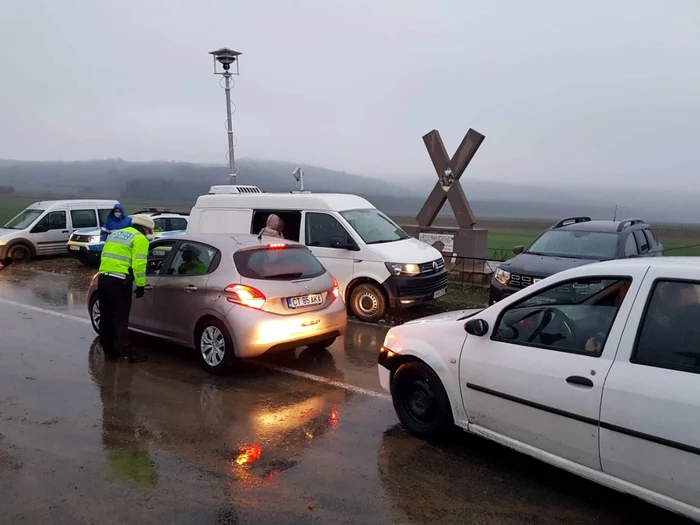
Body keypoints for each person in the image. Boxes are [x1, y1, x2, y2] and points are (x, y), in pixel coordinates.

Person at [98, 214, 154, 362]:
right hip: (119, 282)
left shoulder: (116, 234)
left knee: (106, 316)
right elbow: (139, 264)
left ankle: (108, 349)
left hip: (103, 278)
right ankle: (126, 351)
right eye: (149, 230)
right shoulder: (139, 239)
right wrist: (140, 285)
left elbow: (105, 255)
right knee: (121, 318)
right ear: (145, 227)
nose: (150, 234)